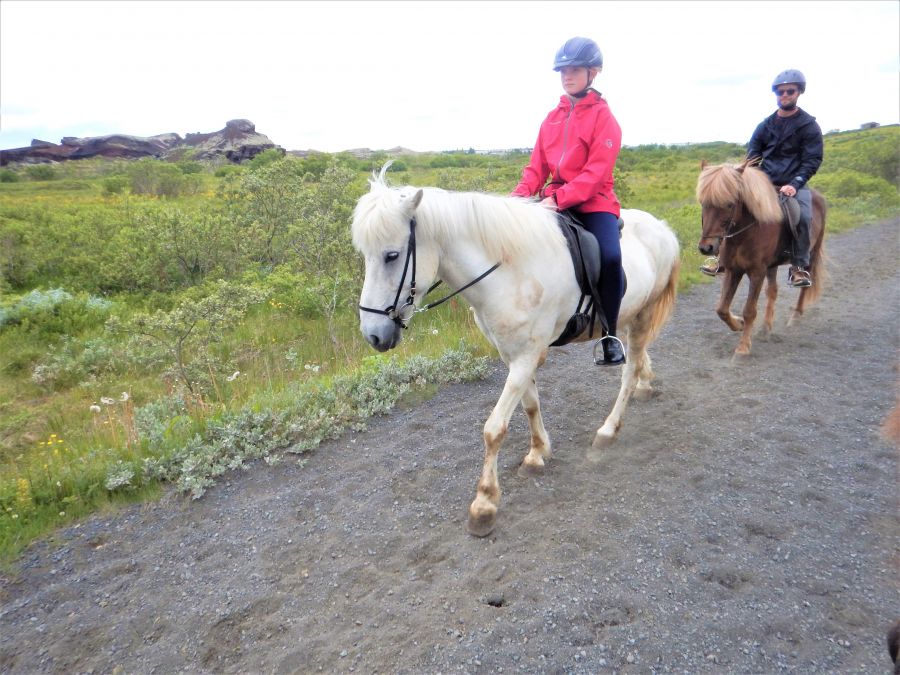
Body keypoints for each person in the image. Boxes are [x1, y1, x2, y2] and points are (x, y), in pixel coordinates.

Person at [512, 36, 626, 365]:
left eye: (574, 69)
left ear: (594, 72)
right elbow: (535, 169)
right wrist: (516, 200)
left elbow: (594, 174)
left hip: (594, 202)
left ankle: (610, 334)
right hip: (554, 198)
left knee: (609, 257)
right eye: (563, 70)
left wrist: (558, 198)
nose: (566, 75)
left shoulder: (604, 118)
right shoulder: (551, 118)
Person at [701, 69, 824, 287]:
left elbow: (812, 160)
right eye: (780, 92)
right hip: (764, 184)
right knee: (729, 209)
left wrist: (795, 184)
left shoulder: (809, 125)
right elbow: (753, 155)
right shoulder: (765, 125)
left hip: (794, 184)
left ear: (798, 93)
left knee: (803, 217)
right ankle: (720, 259)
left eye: (789, 91)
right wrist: (749, 179)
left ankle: (798, 266)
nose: (784, 95)